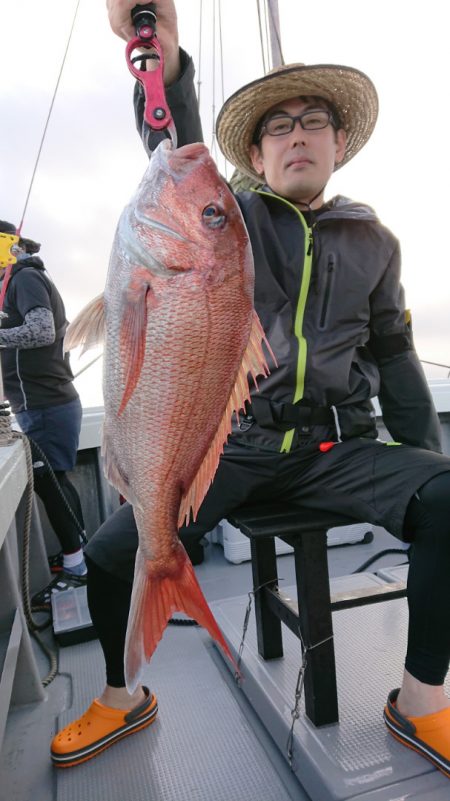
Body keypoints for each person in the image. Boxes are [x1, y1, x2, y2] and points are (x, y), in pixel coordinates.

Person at [50, 0, 450, 776]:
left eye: (314, 120)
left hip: (342, 447)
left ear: (338, 144)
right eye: (278, 126)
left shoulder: (373, 240)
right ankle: (122, 694)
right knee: (109, 554)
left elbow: (398, 359)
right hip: (237, 449)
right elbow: (179, 147)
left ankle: (422, 699)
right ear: (257, 160)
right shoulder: (228, 221)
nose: (297, 133)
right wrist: (163, 64)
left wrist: (423, 471)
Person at [0, 220, 87, 605]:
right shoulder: (15, 281)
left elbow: (42, 330)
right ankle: (79, 554)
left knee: (54, 489)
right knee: (58, 484)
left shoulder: (25, 278)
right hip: (40, 403)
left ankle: (78, 568)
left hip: (47, 404)